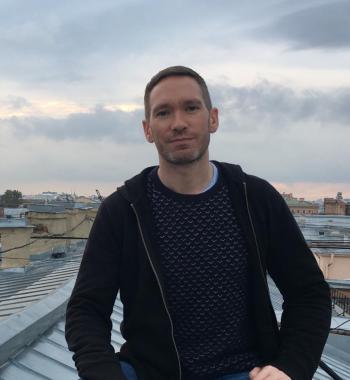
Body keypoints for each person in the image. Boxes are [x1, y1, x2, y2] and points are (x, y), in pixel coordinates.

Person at [65, 66, 332, 380]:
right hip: (150, 372)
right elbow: (86, 310)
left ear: (213, 119)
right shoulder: (123, 210)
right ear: (148, 129)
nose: (179, 123)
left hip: (244, 371)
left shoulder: (255, 199)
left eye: (191, 108)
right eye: (163, 113)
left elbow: (309, 294)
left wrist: (290, 367)